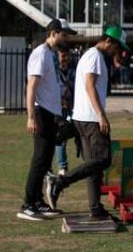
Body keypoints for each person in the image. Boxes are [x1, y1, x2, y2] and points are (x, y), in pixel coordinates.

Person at [47, 25, 125, 221]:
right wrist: (101, 115)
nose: (117, 51)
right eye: (116, 47)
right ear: (108, 41)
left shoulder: (93, 56)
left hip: (82, 117)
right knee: (104, 159)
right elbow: (90, 85)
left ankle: (95, 208)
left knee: (93, 165)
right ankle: (61, 181)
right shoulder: (95, 57)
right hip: (91, 118)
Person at [16, 18, 76, 221]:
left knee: (45, 160)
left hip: (49, 113)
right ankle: (27, 204)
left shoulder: (49, 54)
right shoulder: (41, 54)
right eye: (64, 34)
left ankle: (38, 201)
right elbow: (31, 86)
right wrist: (31, 117)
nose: (66, 38)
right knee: (40, 159)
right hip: (40, 112)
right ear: (54, 32)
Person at [54, 47, 76, 175]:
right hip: (60, 110)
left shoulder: (74, 71)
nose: (65, 58)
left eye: (67, 56)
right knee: (61, 136)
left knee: (77, 133)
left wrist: (68, 84)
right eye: (62, 56)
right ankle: (62, 166)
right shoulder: (55, 73)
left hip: (73, 109)